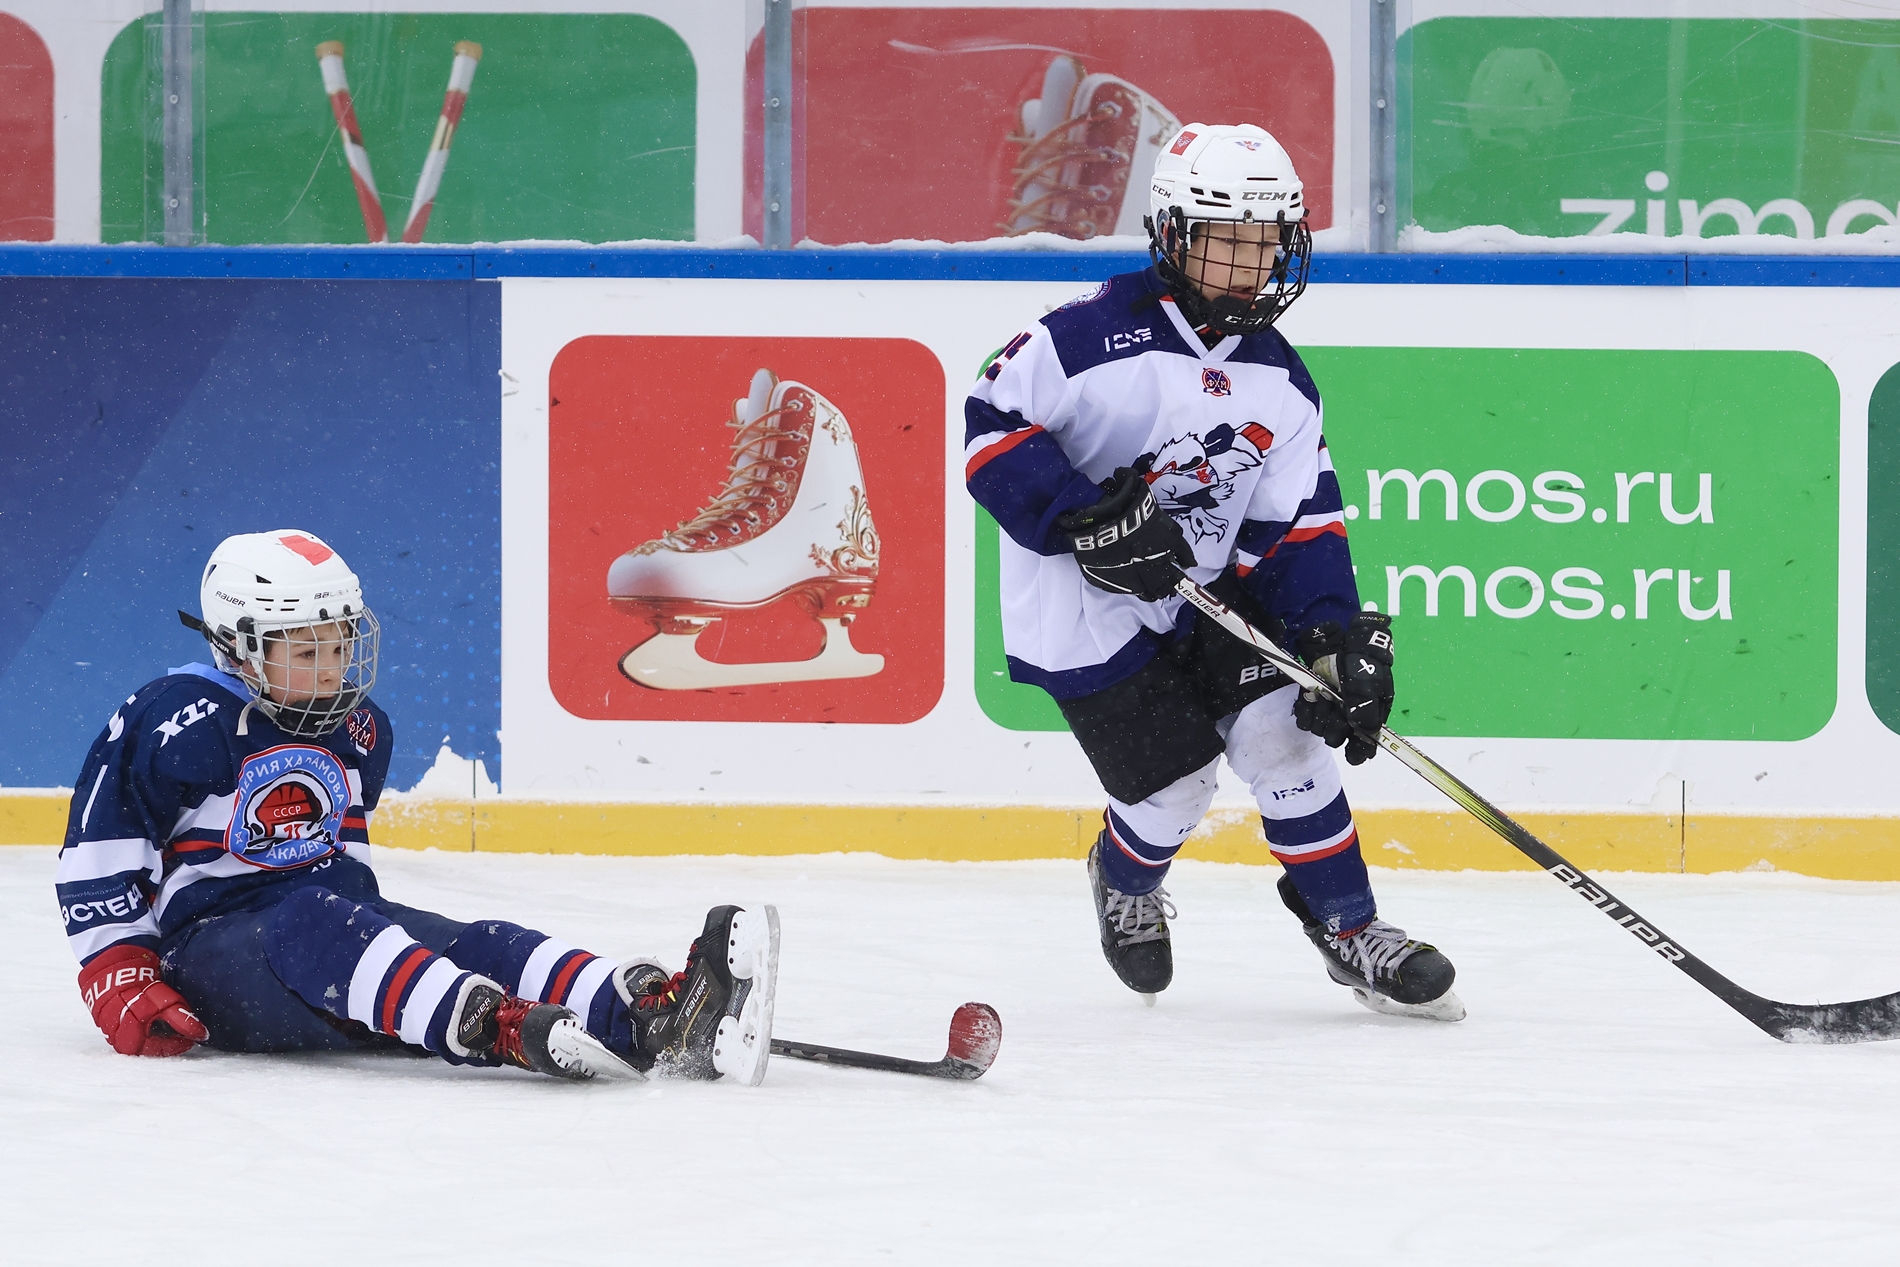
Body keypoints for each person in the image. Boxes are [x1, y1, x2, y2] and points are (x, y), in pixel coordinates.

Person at [965, 123, 1462, 1020]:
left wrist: (1326, 637)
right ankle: (1121, 875)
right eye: (1230, 240)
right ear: (1174, 235)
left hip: (1207, 595)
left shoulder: (1283, 382)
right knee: (1175, 786)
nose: (1252, 262)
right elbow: (991, 426)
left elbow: (1299, 523)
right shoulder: (1084, 335)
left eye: (1267, 241)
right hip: (1084, 605)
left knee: (1288, 738)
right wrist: (1080, 518)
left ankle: (1350, 926)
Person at [56, 529, 779, 1079]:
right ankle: (489, 1022)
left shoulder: (358, 726)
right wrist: (121, 974)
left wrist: (393, 939)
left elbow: (342, 867)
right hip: (215, 959)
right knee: (314, 920)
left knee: (476, 938)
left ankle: (643, 1015)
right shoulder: (177, 718)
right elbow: (99, 849)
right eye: (307, 654)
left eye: (339, 645)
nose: (334, 669)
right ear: (241, 649)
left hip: (332, 948)